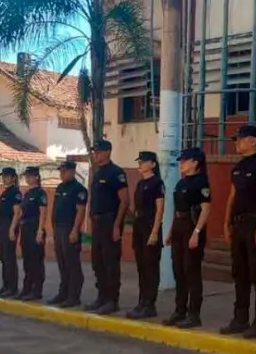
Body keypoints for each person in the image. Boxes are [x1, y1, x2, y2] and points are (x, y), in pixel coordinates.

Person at [221, 124, 256, 338]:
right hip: (239, 224)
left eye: (240, 139)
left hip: (255, 224)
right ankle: (240, 318)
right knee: (240, 272)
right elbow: (232, 197)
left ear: (253, 141)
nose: (236, 142)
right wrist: (227, 223)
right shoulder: (238, 167)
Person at [164, 147, 211, 328]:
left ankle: (194, 314)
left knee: (191, 271)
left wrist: (196, 233)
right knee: (179, 270)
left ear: (195, 162)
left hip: (192, 226)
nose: (181, 164)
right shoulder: (181, 183)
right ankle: (179, 310)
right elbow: (177, 211)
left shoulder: (201, 182)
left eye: (185, 160)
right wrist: (170, 233)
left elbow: (206, 210)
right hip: (179, 226)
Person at [85, 140, 128, 315]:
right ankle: (101, 296)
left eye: (99, 152)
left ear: (108, 152)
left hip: (110, 221)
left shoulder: (115, 173)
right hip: (97, 222)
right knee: (98, 261)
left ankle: (112, 300)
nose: (96, 155)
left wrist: (117, 225)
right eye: (95, 152)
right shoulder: (98, 173)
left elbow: (124, 201)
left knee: (110, 262)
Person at [128, 151, 164, 320]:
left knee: (151, 268)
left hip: (150, 227)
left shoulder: (157, 183)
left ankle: (150, 304)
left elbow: (160, 209)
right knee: (141, 267)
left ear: (153, 164)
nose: (140, 164)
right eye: (139, 161)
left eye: (143, 162)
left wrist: (155, 232)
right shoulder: (141, 184)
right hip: (139, 227)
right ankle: (142, 302)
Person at [49, 161, 87, 307]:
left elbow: (81, 211)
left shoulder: (78, 189)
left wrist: (75, 230)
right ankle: (63, 292)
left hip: (70, 228)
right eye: (61, 171)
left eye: (64, 171)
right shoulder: (60, 187)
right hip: (59, 228)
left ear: (72, 171)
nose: (61, 174)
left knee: (72, 263)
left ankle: (74, 296)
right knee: (62, 262)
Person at [18, 166, 48, 301]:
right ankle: (27, 288)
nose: (27, 178)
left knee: (36, 261)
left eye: (30, 176)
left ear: (36, 177)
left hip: (35, 228)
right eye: (26, 176)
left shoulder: (40, 193)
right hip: (25, 229)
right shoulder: (27, 193)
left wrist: (40, 231)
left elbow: (43, 212)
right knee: (27, 261)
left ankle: (37, 290)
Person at [0, 167, 23, 298]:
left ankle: (12, 287)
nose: (4, 178)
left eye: (6, 176)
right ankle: (5, 285)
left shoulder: (15, 193)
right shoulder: (5, 192)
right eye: (3, 176)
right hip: (2, 226)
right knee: (3, 258)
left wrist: (12, 229)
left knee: (9, 258)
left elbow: (17, 213)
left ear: (13, 178)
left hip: (9, 226)